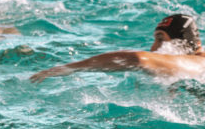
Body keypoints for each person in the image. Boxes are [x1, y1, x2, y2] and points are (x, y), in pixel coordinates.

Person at [30, 14, 205, 82]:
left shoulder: (199, 64)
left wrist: (71, 68)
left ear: (184, 42)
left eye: (160, 39)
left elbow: (137, 59)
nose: (154, 47)